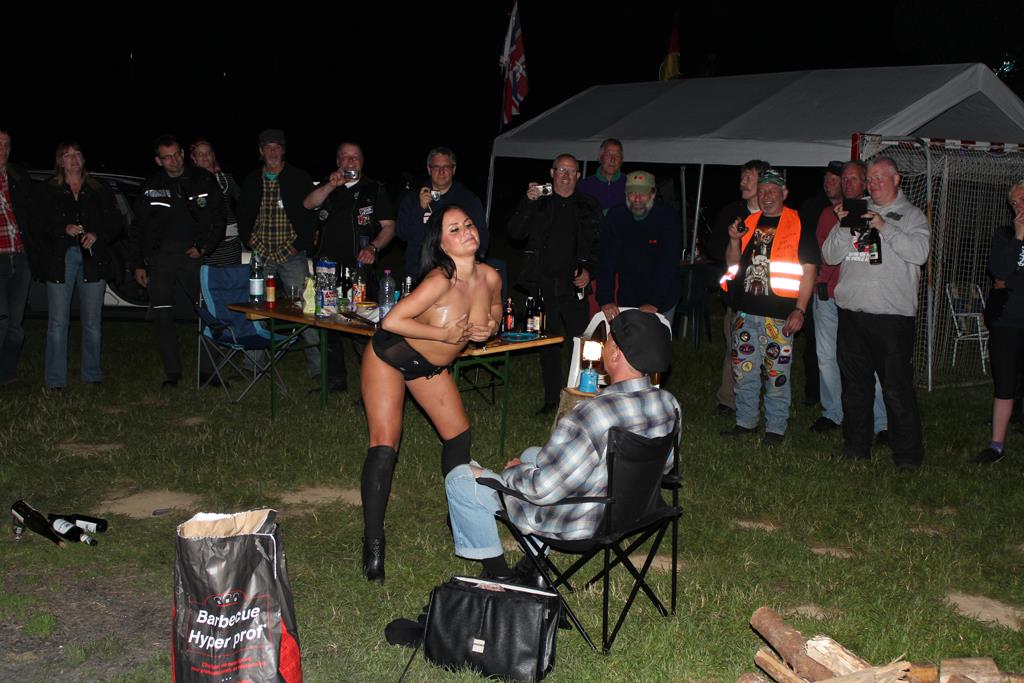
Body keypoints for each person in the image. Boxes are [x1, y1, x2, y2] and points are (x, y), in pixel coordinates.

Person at [444, 309, 679, 580]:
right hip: (631, 512)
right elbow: (665, 466)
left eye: (608, 340)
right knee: (533, 454)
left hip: (579, 525)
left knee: (461, 478)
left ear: (615, 354)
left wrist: (514, 472)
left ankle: (499, 577)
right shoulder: (669, 405)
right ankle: (533, 564)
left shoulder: (593, 413)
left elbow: (542, 489)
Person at [359, 204, 502, 584]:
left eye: (468, 225)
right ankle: (373, 544)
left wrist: (490, 326)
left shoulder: (490, 277)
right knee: (385, 444)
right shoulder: (440, 281)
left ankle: (460, 516)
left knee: (458, 436)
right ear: (441, 244)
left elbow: (496, 309)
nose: (466, 231)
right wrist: (444, 334)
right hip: (390, 356)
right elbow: (392, 320)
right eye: (455, 229)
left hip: (428, 368)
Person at [822, 157, 930, 469]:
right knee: (855, 388)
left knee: (896, 389)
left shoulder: (912, 216)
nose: (874, 183)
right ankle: (856, 448)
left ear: (897, 179)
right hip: (852, 315)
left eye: (881, 177)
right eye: (870, 178)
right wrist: (843, 226)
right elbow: (829, 255)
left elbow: (920, 253)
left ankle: (907, 457)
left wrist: (884, 226)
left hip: (891, 319)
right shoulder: (856, 209)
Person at [719, 169, 818, 445]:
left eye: (773, 191)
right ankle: (746, 423)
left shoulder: (799, 223)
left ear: (784, 193)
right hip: (745, 312)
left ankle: (775, 429)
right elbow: (732, 264)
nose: (767, 196)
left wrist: (800, 310)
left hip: (780, 316)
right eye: (762, 191)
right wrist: (734, 239)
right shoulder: (748, 222)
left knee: (777, 375)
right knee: (744, 372)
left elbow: (809, 271)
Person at [507, 153, 601, 414]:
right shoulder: (539, 202)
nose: (565, 175)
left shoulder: (588, 206)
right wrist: (528, 201)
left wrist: (589, 272)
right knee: (548, 344)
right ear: (552, 173)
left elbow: (599, 246)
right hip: (543, 285)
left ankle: (580, 397)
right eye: (561, 170)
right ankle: (552, 400)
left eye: (571, 171)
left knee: (580, 344)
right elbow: (515, 232)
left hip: (574, 287)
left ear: (578, 176)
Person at [132, 134, 225, 388]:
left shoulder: (202, 179)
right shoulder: (151, 186)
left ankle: (209, 373)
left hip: (192, 256)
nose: (173, 161)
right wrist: (138, 263)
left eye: (176, 155)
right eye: (167, 157)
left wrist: (204, 247)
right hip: (161, 259)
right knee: (163, 316)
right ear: (158, 160)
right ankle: (172, 374)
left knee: (207, 313)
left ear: (182, 154)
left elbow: (219, 217)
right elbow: (138, 227)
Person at [304, 142, 396, 392]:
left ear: (362, 162)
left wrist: (373, 248)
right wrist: (330, 185)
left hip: (359, 268)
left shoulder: (374, 189)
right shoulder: (328, 186)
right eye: (345, 157)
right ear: (338, 162)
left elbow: (389, 226)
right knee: (328, 322)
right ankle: (335, 381)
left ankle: (372, 386)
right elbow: (308, 204)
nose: (351, 161)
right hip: (326, 267)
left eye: (355, 157)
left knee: (361, 326)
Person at [33, 143, 122, 389]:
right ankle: (55, 380)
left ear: (83, 159)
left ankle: (92, 374)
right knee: (58, 322)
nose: (73, 159)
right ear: (59, 161)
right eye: (67, 155)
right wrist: (63, 229)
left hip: (93, 259)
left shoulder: (99, 188)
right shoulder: (48, 189)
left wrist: (96, 234)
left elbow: (115, 221)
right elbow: (38, 224)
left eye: (77, 154)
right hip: (60, 260)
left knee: (92, 321)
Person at [811, 161, 887, 437]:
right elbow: (824, 256)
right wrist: (820, 285)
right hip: (827, 298)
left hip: (858, 299)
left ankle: (881, 421)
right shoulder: (827, 215)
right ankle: (833, 413)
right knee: (826, 357)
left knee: (869, 360)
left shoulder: (876, 213)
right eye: (844, 179)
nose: (848, 184)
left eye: (854, 179)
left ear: (865, 182)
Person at [237, 129, 319, 377]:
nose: (272, 152)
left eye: (277, 147)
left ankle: (318, 366)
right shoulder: (252, 179)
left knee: (305, 307)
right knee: (255, 307)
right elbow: (242, 213)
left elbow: (311, 215)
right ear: (260, 152)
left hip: (291, 252)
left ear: (283, 150)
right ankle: (253, 365)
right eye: (267, 147)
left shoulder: (299, 177)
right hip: (261, 253)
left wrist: (299, 244)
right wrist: (249, 239)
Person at [708, 159, 769, 416]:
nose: (742, 183)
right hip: (737, 294)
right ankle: (728, 398)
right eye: (742, 178)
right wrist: (734, 242)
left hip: (768, 295)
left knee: (766, 349)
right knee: (735, 345)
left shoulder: (773, 214)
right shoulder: (732, 212)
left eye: (748, 178)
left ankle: (762, 398)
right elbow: (713, 248)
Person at [975, 180, 1024, 464]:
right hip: (1008, 319)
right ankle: (996, 447)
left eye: (1023, 200)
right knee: (1004, 383)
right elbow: (1000, 271)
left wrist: (1011, 279)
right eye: (1014, 203)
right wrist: (1018, 238)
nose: (1019, 207)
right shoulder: (1005, 235)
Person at [597, 170, 681, 321]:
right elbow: (606, 260)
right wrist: (606, 299)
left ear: (653, 194)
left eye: (642, 193)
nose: (637, 198)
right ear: (626, 194)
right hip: (628, 295)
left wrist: (654, 302)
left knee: (656, 336)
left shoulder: (666, 216)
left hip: (662, 297)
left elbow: (668, 263)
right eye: (632, 193)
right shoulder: (616, 216)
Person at [395, 147, 488, 280]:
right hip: (419, 273)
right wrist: (420, 209)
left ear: (453, 169)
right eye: (436, 167)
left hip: (456, 274)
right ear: (429, 169)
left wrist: (471, 264)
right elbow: (402, 233)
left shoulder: (468, 199)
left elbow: (481, 237)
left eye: (446, 167)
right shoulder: (412, 198)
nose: (441, 171)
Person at [797, 162, 845, 408]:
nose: (828, 184)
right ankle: (817, 396)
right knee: (817, 349)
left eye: (834, 180)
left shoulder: (860, 210)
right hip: (820, 290)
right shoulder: (816, 209)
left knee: (846, 352)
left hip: (848, 294)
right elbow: (813, 249)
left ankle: (847, 400)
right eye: (826, 180)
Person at [0, 128, 33, 386]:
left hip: (20, 258)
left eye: (7, 144)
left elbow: (33, 213)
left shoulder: (17, 175)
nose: (3, 149)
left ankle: (7, 374)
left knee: (15, 324)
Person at [189, 139, 242, 265]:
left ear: (213, 155)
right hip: (205, 247)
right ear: (194, 158)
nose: (205, 156)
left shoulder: (227, 179)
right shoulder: (189, 183)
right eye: (200, 154)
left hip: (231, 244)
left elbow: (244, 204)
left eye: (208, 153)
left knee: (233, 276)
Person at [577, 138, 626, 214]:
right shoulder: (583, 186)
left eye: (617, 155)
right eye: (608, 154)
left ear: (621, 161)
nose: (613, 159)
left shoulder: (629, 184)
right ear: (600, 158)